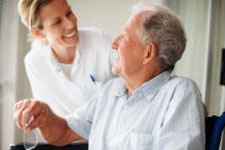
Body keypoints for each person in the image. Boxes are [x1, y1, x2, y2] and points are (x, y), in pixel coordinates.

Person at [14, 4, 205, 150]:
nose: (113, 43)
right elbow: (63, 132)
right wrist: (46, 116)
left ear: (148, 53)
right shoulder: (110, 90)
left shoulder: (179, 93)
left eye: (124, 36)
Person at [18, 0, 115, 117]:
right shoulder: (35, 62)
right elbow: (49, 117)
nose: (71, 24)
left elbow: (129, 87)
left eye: (69, 13)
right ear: (38, 33)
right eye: (57, 22)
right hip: (71, 134)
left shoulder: (99, 39)